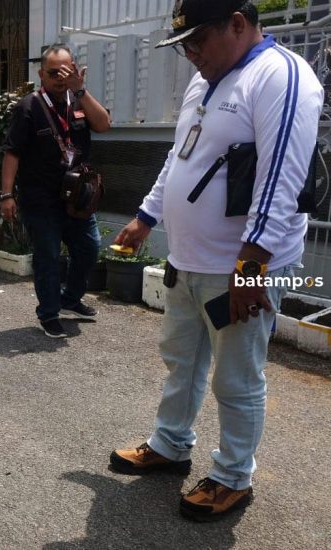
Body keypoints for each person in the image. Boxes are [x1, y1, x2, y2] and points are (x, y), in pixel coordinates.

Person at [109, 0, 323, 522]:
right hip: (188, 261)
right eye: (183, 44)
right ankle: (171, 444)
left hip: (241, 270)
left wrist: (251, 268)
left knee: (236, 376)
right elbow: (180, 156)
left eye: (198, 39)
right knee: (181, 361)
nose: (191, 53)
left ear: (239, 22)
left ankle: (232, 476)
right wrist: (145, 217)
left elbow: (281, 179)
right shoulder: (207, 79)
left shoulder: (280, 76)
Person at [1, 44, 111, 338]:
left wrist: (81, 90)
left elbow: (103, 125)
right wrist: (6, 195)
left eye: (67, 71)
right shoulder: (29, 106)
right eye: (54, 73)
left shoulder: (78, 101)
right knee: (47, 256)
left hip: (77, 196)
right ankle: (49, 313)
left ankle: (70, 300)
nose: (61, 78)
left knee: (88, 248)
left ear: (75, 70)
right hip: (41, 199)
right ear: (41, 74)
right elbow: (12, 153)